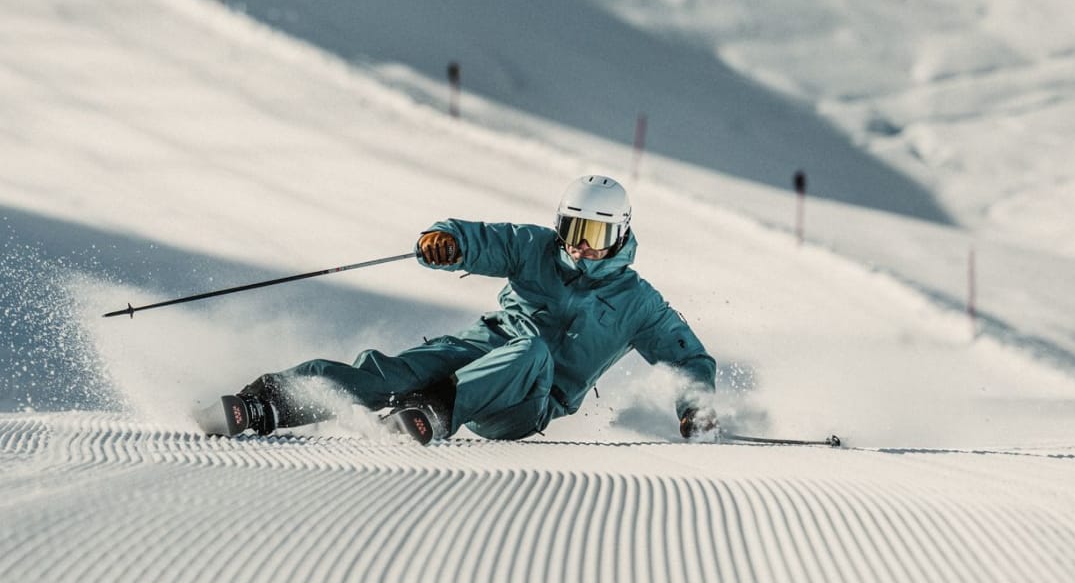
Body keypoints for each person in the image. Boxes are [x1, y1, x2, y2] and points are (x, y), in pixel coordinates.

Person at [229, 175, 719, 444]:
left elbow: (688, 358)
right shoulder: (537, 248)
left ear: (620, 234)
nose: (581, 246)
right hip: (479, 349)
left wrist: (696, 409)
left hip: (525, 402)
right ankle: (267, 401)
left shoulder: (639, 303)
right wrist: (447, 241)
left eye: (596, 234)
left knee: (532, 352)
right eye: (574, 230)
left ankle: (434, 411)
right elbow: (486, 240)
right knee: (391, 372)